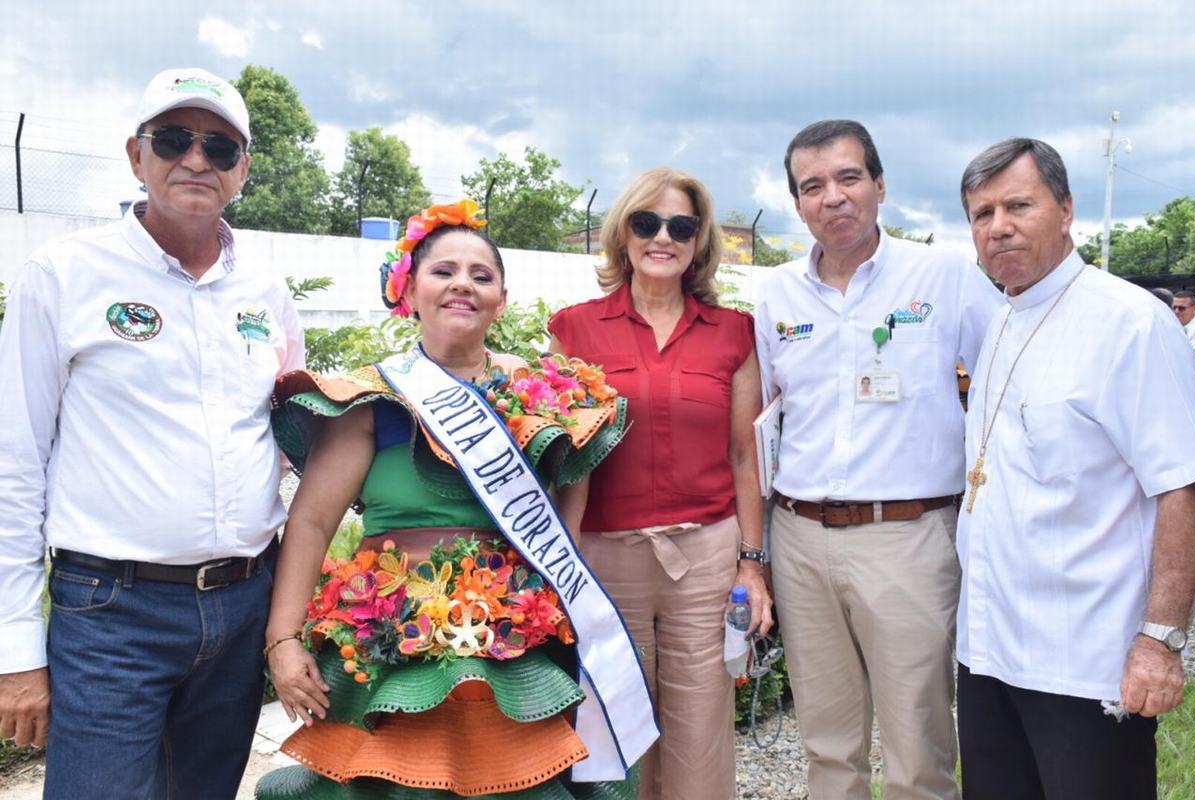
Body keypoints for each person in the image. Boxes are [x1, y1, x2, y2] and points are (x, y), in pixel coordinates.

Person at [255, 200, 655, 800]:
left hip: (514, 640)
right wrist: (283, 641)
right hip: (390, 636)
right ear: (409, 291)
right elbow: (311, 523)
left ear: (501, 298)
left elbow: (575, 475)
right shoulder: (373, 396)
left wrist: (556, 570)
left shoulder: (543, 392)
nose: (463, 283)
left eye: (481, 274)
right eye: (443, 271)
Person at [0, 68, 303, 798]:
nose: (196, 160)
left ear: (243, 171)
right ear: (137, 156)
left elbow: (297, 435)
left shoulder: (265, 289)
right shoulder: (65, 275)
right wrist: (14, 647)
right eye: (173, 139)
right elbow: (14, 462)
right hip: (111, 615)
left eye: (221, 148)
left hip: (241, 608)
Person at [755, 120, 1003, 800]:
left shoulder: (944, 275)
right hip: (802, 538)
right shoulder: (775, 295)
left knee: (917, 749)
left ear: (880, 185)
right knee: (827, 750)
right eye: (812, 187)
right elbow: (764, 420)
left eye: (847, 178)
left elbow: (1005, 383)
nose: (832, 198)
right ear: (797, 203)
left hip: (908, 538)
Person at [955, 138, 1195, 800]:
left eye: (1018, 205)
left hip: (1087, 660)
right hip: (989, 653)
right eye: (981, 214)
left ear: (1066, 210)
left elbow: (1181, 488)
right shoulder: (1003, 319)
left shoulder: (1132, 324)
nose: (998, 226)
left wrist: (1160, 641)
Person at [547, 167, 771, 800]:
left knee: (701, 732)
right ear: (623, 234)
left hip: (704, 557)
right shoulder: (574, 329)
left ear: (699, 240)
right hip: (606, 558)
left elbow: (743, 454)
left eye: (681, 226)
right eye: (647, 223)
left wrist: (752, 565)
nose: (662, 238)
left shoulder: (733, 333)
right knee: (617, 730)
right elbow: (561, 453)